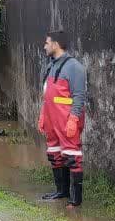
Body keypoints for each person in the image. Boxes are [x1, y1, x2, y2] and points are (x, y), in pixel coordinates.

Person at [37, 30, 88, 208]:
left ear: (56, 44)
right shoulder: (51, 66)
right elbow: (47, 95)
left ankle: (76, 199)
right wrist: (43, 115)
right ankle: (62, 191)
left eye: (47, 42)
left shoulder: (74, 67)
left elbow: (79, 96)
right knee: (55, 154)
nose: (44, 46)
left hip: (66, 119)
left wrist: (73, 119)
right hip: (52, 119)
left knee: (72, 156)